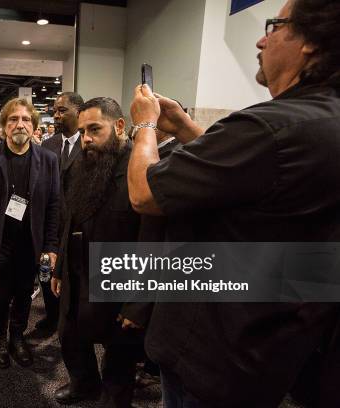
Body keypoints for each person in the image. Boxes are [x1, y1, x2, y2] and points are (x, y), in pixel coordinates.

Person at [126, 0, 340, 406]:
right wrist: (190, 130)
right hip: (269, 347)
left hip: (213, 351)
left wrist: (145, 126)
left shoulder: (270, 127)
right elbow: (253, 173)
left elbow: (143, 193)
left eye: (274, 26)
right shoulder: (320, 122)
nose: (261, 40)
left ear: (310, 40)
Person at [51, 97, 141, 407]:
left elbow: (154, 239)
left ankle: (115, 400)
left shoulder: (139, 166)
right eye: (83, 131)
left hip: (120, 277)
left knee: (119, 353)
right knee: (69, 334)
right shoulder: (81, 162)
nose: (86, 139)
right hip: (78, 270)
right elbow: (69, 218)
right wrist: (60, 267)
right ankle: (84, 383)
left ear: (119, 126)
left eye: (94, 130)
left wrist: (138, 302)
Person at [0, 98, 60, 369]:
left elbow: (54, 206)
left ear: (34, 126)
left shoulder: (48, 160)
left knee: (23, 294)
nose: (20, 124)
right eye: (13, 120)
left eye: (26, 119)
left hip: (31, 243)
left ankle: (17, 337)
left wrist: (51, 245)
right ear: (4, 126)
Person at [38, 92, 84, 333]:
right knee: (47, 271)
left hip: (77, 224)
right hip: (51, 222)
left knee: (73, 274)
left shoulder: (90, 143)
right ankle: (52, 315)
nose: (56, 115)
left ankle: (71, 318)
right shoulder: (48, 145)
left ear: (79, 111)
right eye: (55, 110)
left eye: (62, 110)